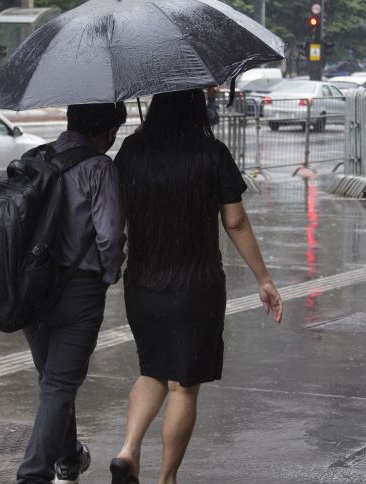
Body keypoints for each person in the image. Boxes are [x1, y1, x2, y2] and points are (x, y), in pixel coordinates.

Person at [112, 89, 283, 484]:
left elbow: (114, 217)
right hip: (197, 287)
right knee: (183, 386)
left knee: (152, 370)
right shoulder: (212, 153)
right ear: (197, 107)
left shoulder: (132, 152)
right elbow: (236, 223)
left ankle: (128, 450)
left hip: (143, 284)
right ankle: (166, 479)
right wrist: (264, 278)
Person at [17, 103, 128, 484]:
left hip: (30, 289)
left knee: (52, 379)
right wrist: (108, 276)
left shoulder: (33, 159)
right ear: (109, 131)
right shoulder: (100, 168)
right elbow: (110, 237)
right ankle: (33, 474)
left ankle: (68, 458)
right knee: (60, 384)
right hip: (79, 291)